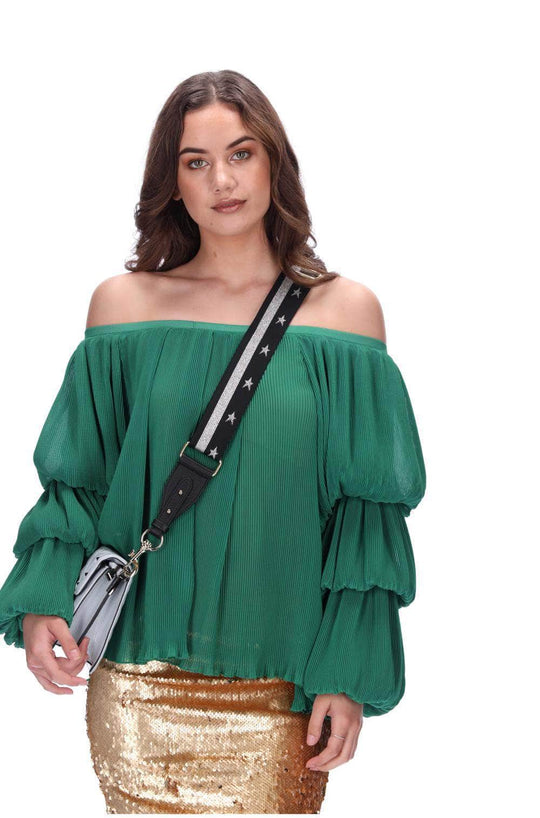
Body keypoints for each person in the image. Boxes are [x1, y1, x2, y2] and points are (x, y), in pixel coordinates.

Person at [0, 69, 426, 814]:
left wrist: (347, 671)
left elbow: (367, 517)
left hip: (282, 688)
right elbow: (81, 478)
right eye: (195, 162)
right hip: (138, 683)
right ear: (171, 181)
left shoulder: (346, 315)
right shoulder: (124, 308)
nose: (222, 181)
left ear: (274, 162)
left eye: (241, 154)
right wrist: (43, 599)